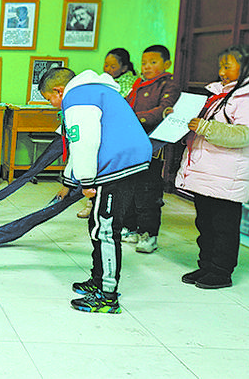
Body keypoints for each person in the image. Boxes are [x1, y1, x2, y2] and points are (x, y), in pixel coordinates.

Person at [40, 67, 151, 314]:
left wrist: (86, 181)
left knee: (106, 229)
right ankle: (98, 279)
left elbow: (85, 142)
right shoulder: (95, 90)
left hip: (117, 165)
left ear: (59, 90)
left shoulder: (77, 98)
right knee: (97, 224)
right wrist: (69, 183)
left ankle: (107, 296)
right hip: (126, 160)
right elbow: (79, 143)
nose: (52, 105)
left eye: (50, 99)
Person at [176, 44, 249, 290]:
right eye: (220, 66)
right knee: (205, 223)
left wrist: (205, 127)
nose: (221, 72)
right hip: (209, 172)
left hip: (228, 174)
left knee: (224, 227)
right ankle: (206, 265)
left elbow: (247, 134)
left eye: (227, 66)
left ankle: (221, 271)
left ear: (248, 68)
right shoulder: (220, 94)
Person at [122, 45, 180, 253]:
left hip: (152, 147)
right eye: (144, 63)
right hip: (131, 143)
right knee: (128, 187)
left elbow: (164, 110)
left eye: (153, 62)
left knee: (147, 191)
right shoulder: (139, 84)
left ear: (167, 64)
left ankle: (148, 234)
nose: (146, 67)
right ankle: (131, 228)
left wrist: (133, 118)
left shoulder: (168, 85)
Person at [76, 47, 140, 219]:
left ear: (124, 67)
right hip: (101, 129)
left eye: (113, 66)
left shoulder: (130, 82)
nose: (107, 69)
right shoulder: (104, 80)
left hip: (117, 134)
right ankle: (92, 204)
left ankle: (100, 207)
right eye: (106, 65)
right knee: (95, 170)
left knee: (106, 174)